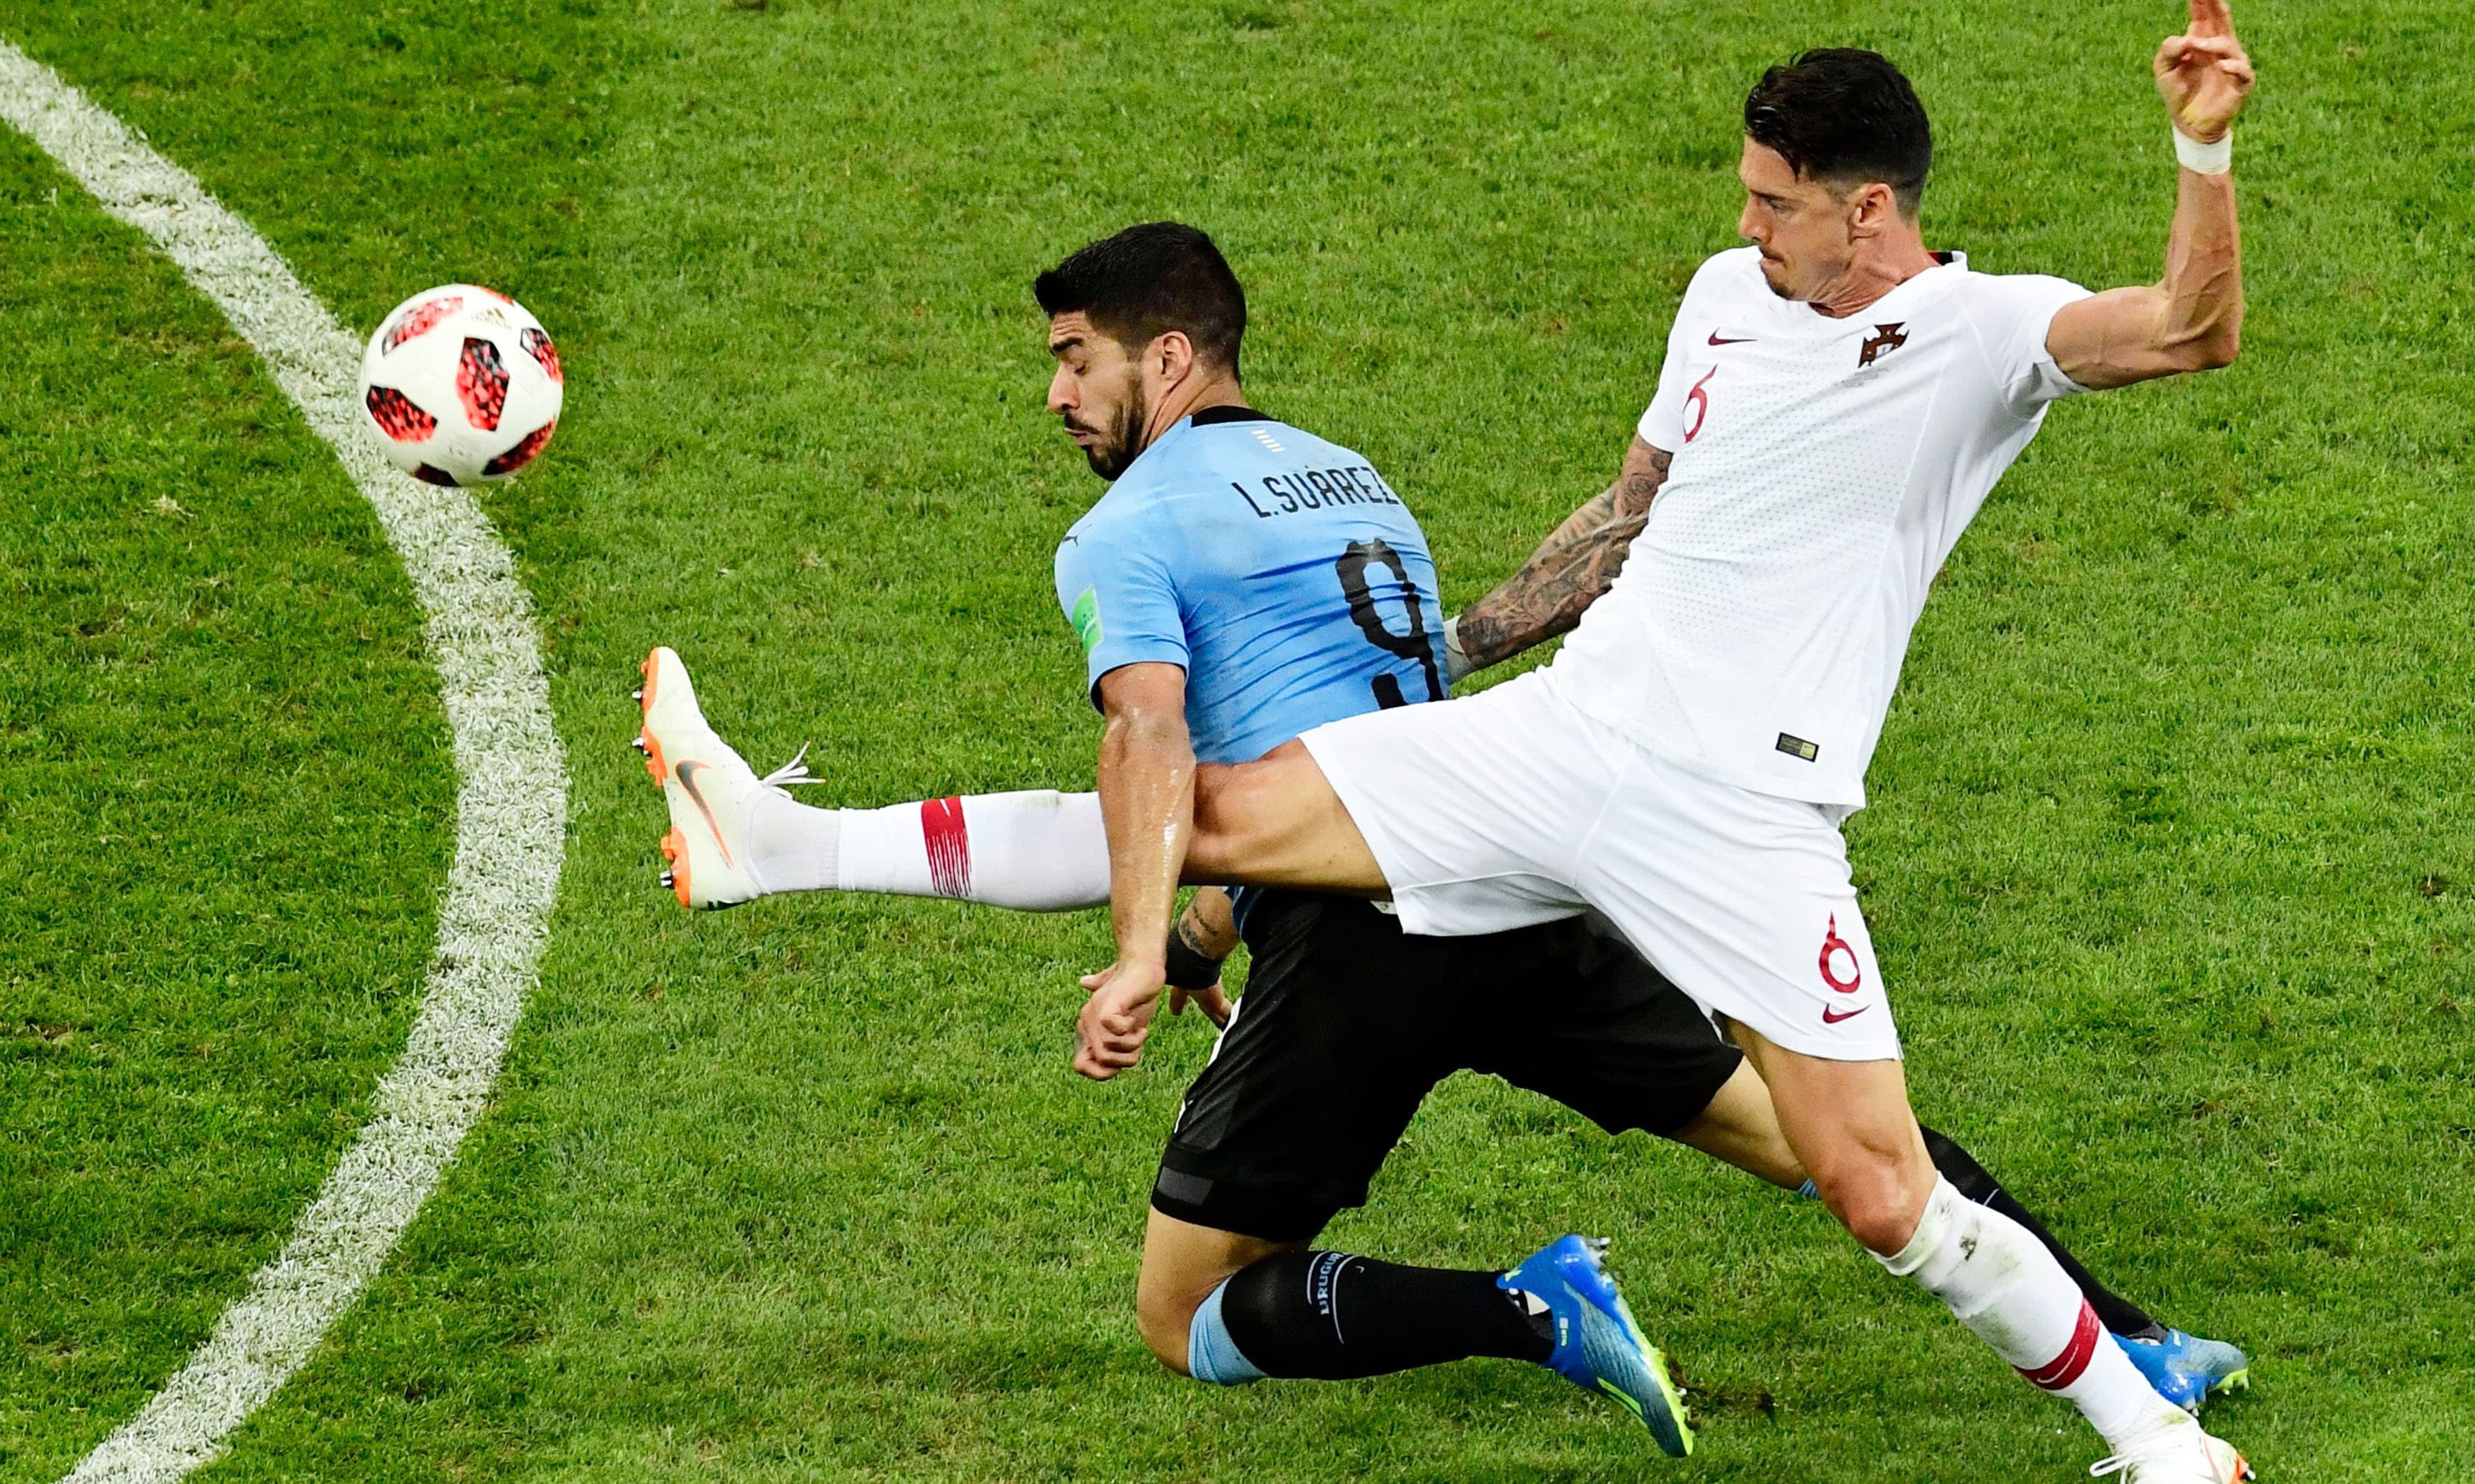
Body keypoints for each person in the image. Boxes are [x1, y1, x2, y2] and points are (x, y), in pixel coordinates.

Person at [637, 212, 2244, 1456]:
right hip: (1536, 868)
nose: (1057, 396)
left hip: (1367, 933)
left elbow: (1162, 753)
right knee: (1828, 1144)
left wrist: (1146, 950)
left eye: (1077, 359)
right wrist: (1199, 926)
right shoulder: (1348, 481)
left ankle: (1522, 1308)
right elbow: (1394, 706)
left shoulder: (1127, 525)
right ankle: (2132, 1342)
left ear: (1170, 357)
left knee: (1182, 1313)